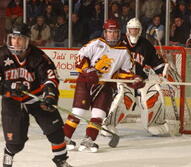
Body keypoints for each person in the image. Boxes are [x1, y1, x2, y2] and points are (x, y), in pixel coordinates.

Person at [63, 19, 144, 152]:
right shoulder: (96, 44)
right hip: (86, 82)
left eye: (115, 32)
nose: (112, 35)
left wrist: (134, 79)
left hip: (105, 86)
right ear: (105, 32)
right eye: (110, 32)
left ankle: (88, 140)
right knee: (78, 112)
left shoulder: (124, 51)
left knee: (99, 114)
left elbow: (124, 73)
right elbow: (80, 59)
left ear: (119, 33)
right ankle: (65, 138)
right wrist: (88, 71)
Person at [0, 23, 72, 167]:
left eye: (20, 38)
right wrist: (10, 86)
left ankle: (61, 161)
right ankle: (9, 153)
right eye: (13, 38)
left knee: (56, 132)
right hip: (12, 100)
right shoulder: (2, 55)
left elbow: (50, 78)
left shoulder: (38, 57)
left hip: (36, 98)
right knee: (16, 143)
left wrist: (50, 96)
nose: (16, 42)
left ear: (28, 40)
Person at [101, 18, 179, 137]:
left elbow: (157, 64)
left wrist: (164, 68)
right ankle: (108, 124)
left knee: (154, 91)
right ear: (127, 30)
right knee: (124, 95)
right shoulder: (118, 42)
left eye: (136, 30)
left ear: (140, 30)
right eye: (131, 30)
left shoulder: (146, 44)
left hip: (141, 80)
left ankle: (154, 124)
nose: (133, 32)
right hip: (122, 80)